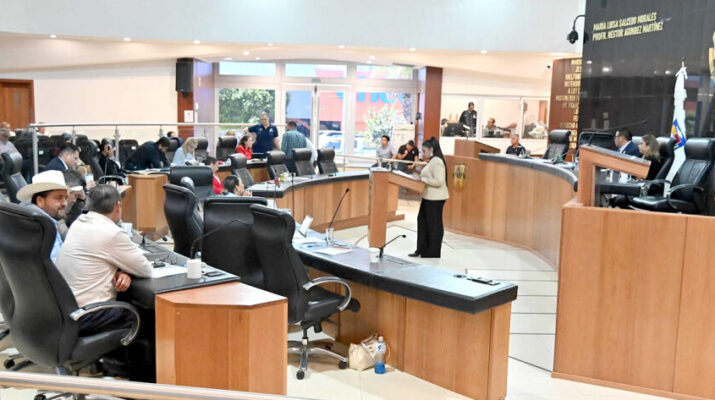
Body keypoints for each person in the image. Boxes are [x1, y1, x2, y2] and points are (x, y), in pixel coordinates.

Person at [56, 184, 153, 336]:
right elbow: (146, 270)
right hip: (88, 315)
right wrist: (126, 269)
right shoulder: (112, 233)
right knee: (147, 315)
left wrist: (122, 270)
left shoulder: (78, 223)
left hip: (65, 311)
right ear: (118, 206)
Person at [410, 138, 449, 258]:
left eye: (424, 151)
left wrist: (422, 179)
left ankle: (432, 252)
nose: (422, 153)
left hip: (435, 198)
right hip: (428, 197)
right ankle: (421, 249)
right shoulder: (432, 160)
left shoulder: (437, 161)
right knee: (423, 222)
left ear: (431, 149)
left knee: (434, 225)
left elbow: (439, 181)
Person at [17, 170, 68, 263]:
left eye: (66, 198)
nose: (65, 203)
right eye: (58, 198)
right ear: (40, 201)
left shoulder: (26, 218)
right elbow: (56, 266)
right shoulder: (45, 227)